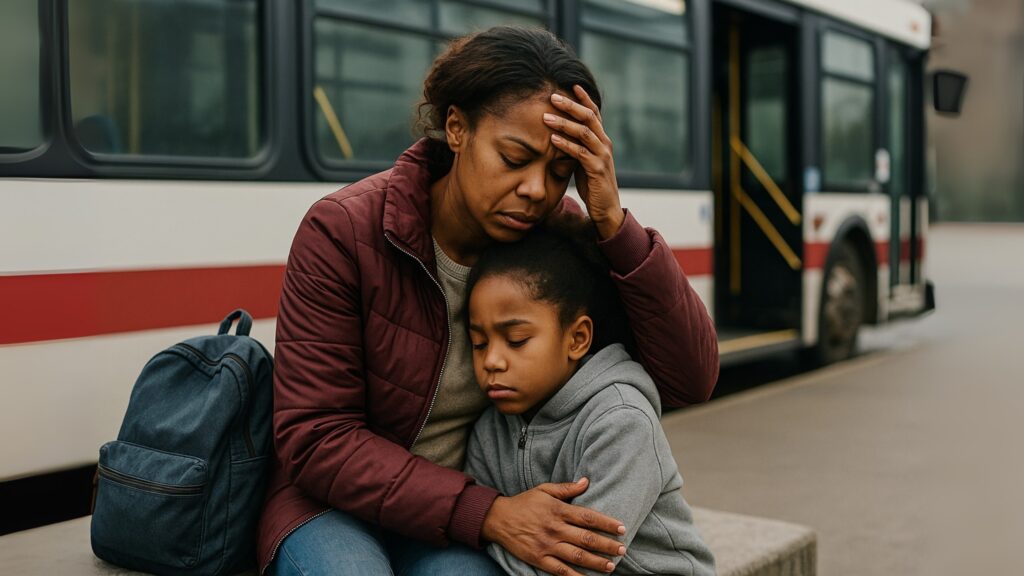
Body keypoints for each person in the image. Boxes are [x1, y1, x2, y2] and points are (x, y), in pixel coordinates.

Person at [258, 26, 719, 576]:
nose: (535, 191)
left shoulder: (559, 240)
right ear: (457, 127)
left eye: (558, 173)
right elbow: (316, 438)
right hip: (336, 505)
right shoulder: (343, 230)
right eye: (514, 158)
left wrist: (612, 223)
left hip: (467, 519)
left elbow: (692, 380)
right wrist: (490, 513)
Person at [463, 222, 716, 576]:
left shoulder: (620, 421)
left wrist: (500, 542)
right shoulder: (488, 431)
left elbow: (580, 566)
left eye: (516, 339)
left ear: (578, 338)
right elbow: (484, 538)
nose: (492, 360)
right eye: (479, 343)